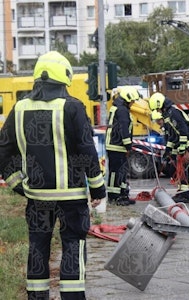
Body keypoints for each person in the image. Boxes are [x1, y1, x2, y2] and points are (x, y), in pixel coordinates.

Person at [0, 51, 106, 299]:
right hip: (72, 199)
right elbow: (87, 151)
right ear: (65, 77)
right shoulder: (72, 107)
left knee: (37, 248)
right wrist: (98, 189)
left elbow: (3, 154)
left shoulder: (19, 108)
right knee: (72, 246)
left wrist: (20, 185)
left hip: (37, 198)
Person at [148, 92, 189, 203]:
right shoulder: (168, 115)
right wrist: (168, 152)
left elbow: (183, 131)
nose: (157, 113)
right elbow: (172, 136)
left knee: (186, 166)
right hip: (185, 143)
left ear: (159, 106)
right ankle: (182, 191)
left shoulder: (173, 113)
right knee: (179, 167)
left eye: (157, 110)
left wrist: (182, 147)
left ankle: (187, 194)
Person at [105, 86, 141, 206]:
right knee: (116, 171)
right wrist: (128, 146)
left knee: (122, 171)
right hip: (116, 146)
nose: (133, 103)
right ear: (127, 99)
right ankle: (114, 196)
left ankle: (122, 194)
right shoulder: (122, 110)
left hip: (116, 146)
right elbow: (124, 128)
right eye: (132, 101)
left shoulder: (118, 108)